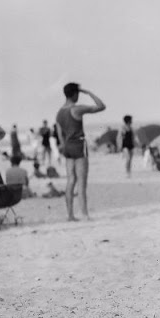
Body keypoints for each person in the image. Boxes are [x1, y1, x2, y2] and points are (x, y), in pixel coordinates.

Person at [55, 82, 106, 221]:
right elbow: (101, 106)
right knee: (82, 182)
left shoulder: (59, 112)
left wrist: (64, 146)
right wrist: (88, 92)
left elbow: (60, 135)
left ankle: (70, 215)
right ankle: (84, 214)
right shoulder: (76, 109)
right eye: (78, 93)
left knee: (70, 181)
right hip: (78, 146)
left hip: (67, 147)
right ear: (74, 94)